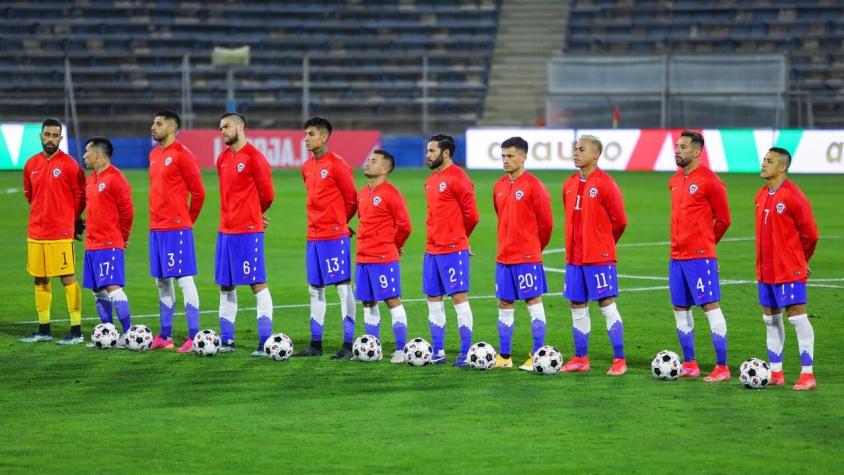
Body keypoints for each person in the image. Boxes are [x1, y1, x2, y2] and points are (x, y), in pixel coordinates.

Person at [559, 135, 628, 375]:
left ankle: (619, 360)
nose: (576, 153)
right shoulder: (568, 184)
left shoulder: (606, 183)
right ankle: (580, 358)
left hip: (598, 257)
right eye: (575, 149)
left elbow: (620, 221)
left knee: (606, 304)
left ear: (595, 155)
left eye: (581, 149)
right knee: (576, 304)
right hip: (574, 258)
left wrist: (604, 244)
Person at [668, 130, 732, 382]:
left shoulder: (710, 180)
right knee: (680, 308)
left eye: (683, 147)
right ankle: (690, 363)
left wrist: (707, 246)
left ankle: (722, 367)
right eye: (677, 146)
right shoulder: (674, 181)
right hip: (676, 256)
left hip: (699, 257)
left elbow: (724, 220)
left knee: (709, 305)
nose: (677, 150)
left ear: (696, 151)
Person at [755, 147, 819, 390]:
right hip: (765, 271)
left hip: (788, 270)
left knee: (798, 319)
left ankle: (807, 374)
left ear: (782, 167)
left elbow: (811, 235)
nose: (764, 164)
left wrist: (800, 261)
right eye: (764, 160)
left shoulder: (793, 196)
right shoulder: (761, 195)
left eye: (769, 161)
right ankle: (775, 372)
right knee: (770, 320)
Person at [294, 117, 358, 359]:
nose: (306, 138)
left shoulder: (337, 165)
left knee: (342, 289)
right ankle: (315, 344)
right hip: (314, 237)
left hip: (334, 237)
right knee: (315, 290)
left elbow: (352, 199)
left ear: (324, 137)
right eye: (305, 134)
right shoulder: (306, 167)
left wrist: (341, 224)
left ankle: (348, 345)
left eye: (310, 134)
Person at [20, 118, 86, 344]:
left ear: (61, 138)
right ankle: (43, 329)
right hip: (36, 232)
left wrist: (72, 219)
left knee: (68, 278)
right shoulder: (30, 164)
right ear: (40, 136)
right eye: (47, 135)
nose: (50, 139)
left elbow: (80, 197)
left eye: (55, 135)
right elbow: (30, 194)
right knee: (40, 279)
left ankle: (76, 330)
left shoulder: (70, 165)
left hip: (60, 232)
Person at [214, 112, 276, 357]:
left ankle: (265, 341)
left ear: (240, 127)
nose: (222, 131)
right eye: (220, 128)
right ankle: (227, 340)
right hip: (225, 232)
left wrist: (253, 214)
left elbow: (268, 194)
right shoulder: (222, 158)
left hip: (247, 233)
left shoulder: (254, 157)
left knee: (256, 284)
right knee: (226, 285)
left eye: (226, 126)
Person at [492, 137, 553, 371]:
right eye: (503, 156)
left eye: (511, 156)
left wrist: (535, 248)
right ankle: (504, 357)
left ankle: (537, 356)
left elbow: (546, 224)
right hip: (504, 258)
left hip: (527, 257)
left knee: (533, 302)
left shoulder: (534, 186)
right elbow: (502, 217)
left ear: (524, 157)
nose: (506, 160)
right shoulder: (499, 185)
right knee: (504, 304)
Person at [147, 110, 206, 352]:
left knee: (184, 280)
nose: (153, 126)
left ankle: (194, 337)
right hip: (156, 228)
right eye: (154, 122)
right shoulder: (153, 154)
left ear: (171, 129)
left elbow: (199, 193)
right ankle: (165, 336)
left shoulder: (183, 155)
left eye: (158, 123)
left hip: (176, 228)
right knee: (162, 282)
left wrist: (186, 222)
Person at [423, 134, 479, 367]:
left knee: (458, 297)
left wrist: (460, 239)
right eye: (427, 151)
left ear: (445, 153)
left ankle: (465, 352)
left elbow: (472, 215)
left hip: (452, 249)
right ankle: (438, 351)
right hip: (431, 250)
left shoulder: (459, 178)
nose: (427, 155)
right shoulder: (430, 180)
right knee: (433, 298)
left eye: (432, 151)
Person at [354, 150, 412, 363]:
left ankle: (400, 349)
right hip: (362, 258)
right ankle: (373, 348)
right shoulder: (361, 193)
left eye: (374, 161)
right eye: (368, 159)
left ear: (385, 169)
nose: (368, 163)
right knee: (368, 303)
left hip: (383, 258)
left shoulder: (391, 193)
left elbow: (405, 225)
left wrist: (394, 246)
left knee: (392, 300)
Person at [80, 137, 135, 338]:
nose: (84, 155)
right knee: (97, 290)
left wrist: (123, 236)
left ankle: (129, 334)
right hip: (92, 244)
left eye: (87, 151)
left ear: (98, 154)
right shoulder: (91, 180)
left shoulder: (115, 178)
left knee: (112, 287)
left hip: (109, 243)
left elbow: (127, 210)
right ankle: (109, 333)